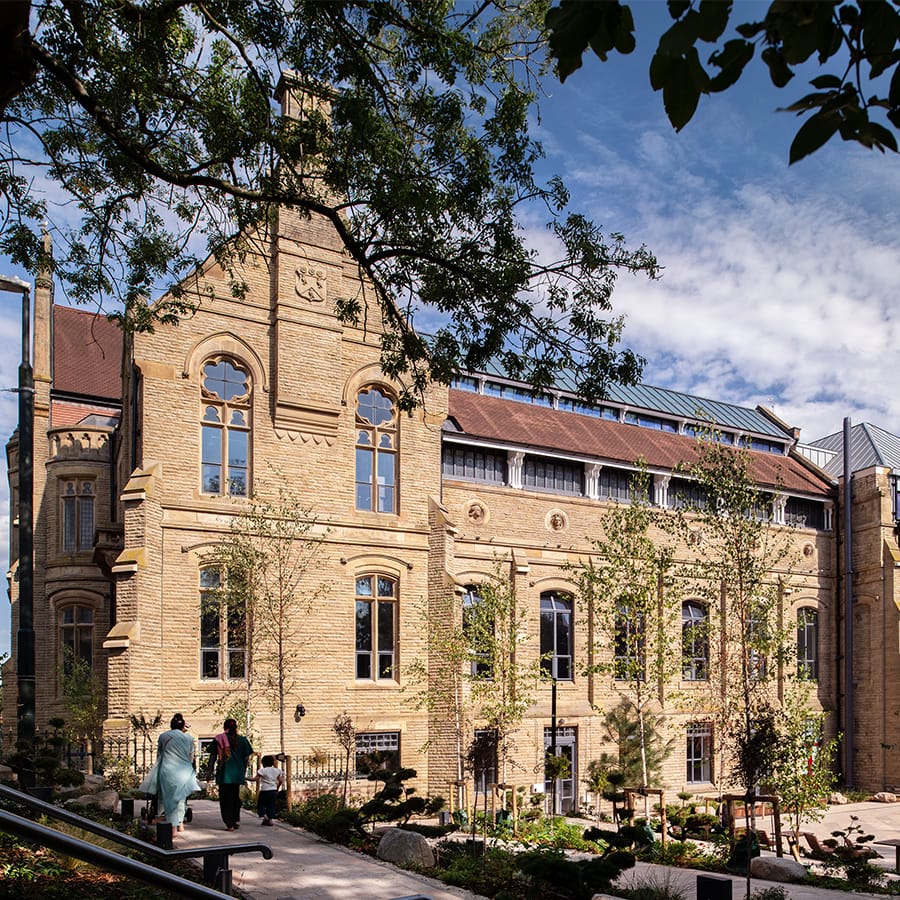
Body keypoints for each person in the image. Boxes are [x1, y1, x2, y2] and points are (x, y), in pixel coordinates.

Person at [151, 712, 200, 834]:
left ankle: (172, 828)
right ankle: (180, 824)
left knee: (167, 798)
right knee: (181, 797)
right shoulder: (189, 738)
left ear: (171, 725)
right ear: (183, 726)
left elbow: (159, 755)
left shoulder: (163, 736)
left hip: (167, 770)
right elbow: (191, 756)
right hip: (184, 770)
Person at [208, 717, 253, 830]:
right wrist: (242, 771)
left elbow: (212, 757)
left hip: (224, 774)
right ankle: (236, 819)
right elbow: (246, 758)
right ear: (236, 727)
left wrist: (209, 771)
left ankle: (229, 823)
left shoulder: (219, 739)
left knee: (225, 799)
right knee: (235, 797)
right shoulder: (242, 740)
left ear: (224, 727)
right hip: (237, 774)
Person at [250, 754, 284, 826]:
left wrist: (245, 778)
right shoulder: (277, 770)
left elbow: (256, 779)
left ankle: (265, 817)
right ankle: (270, 820)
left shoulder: (262, 770)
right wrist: (277, 788)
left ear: (263, 763)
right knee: (271, 805)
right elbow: (281, 781)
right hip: (273, 791)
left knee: (261, 804)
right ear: (272, 762)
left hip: (264, 791)